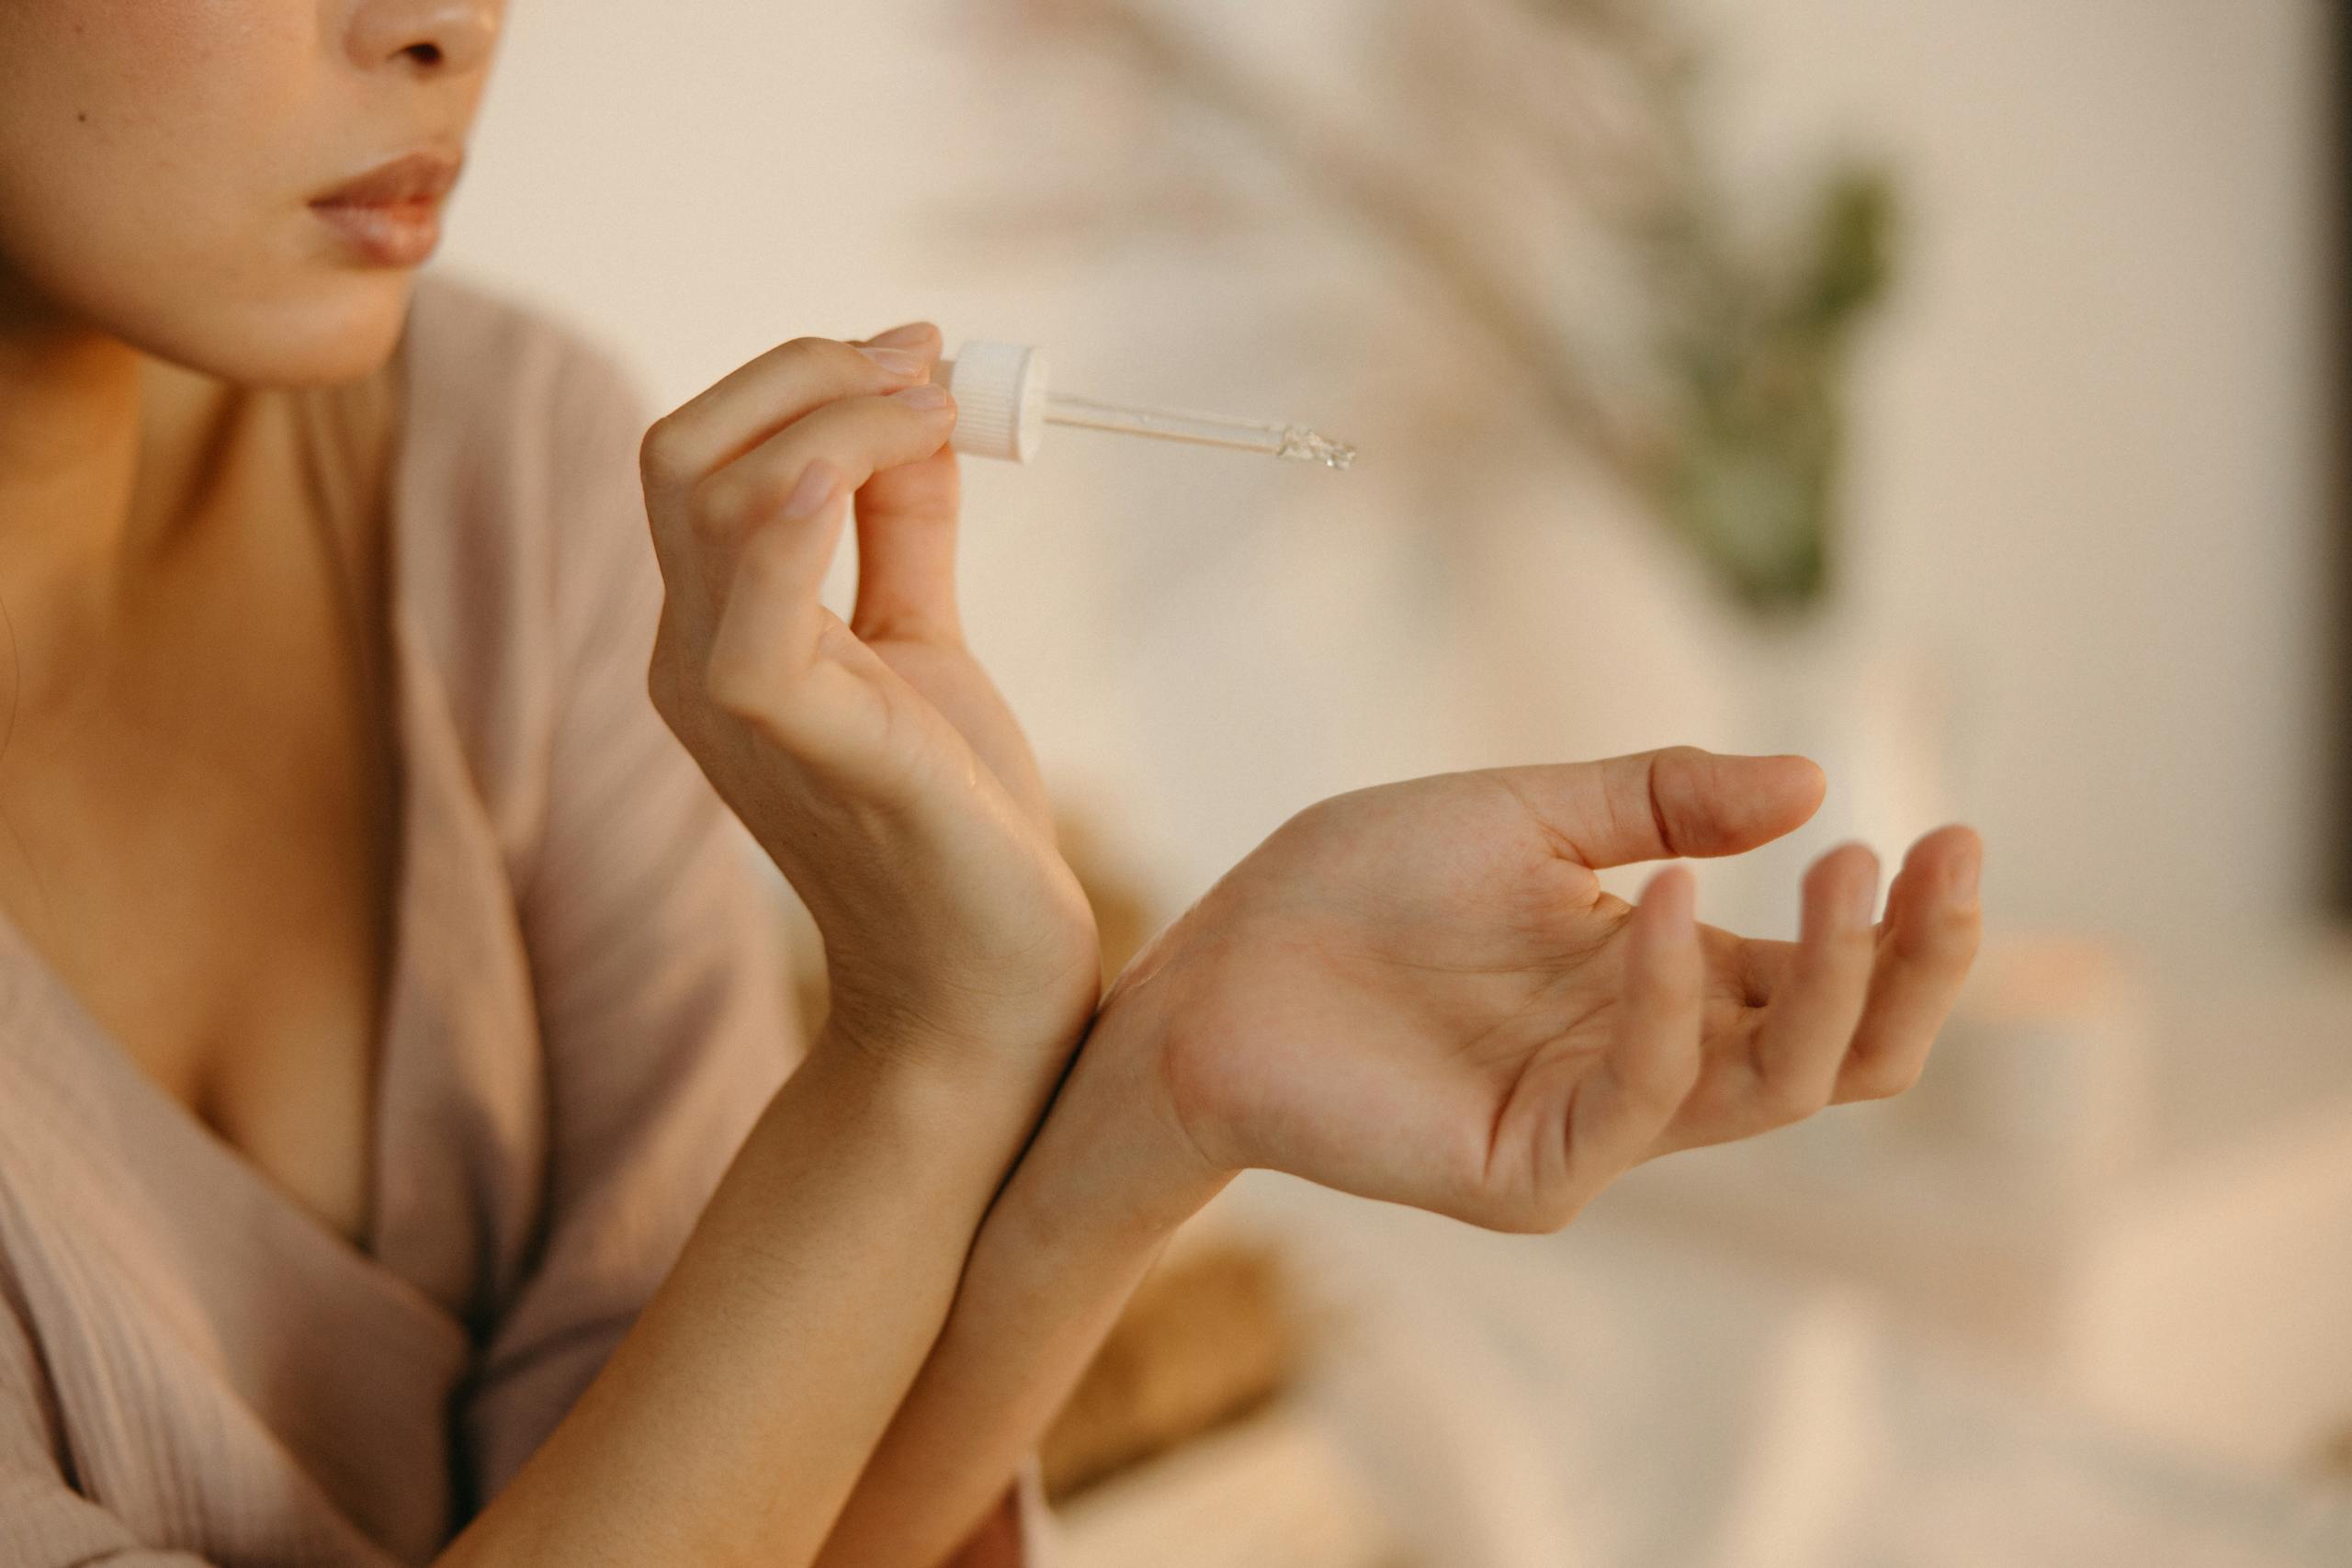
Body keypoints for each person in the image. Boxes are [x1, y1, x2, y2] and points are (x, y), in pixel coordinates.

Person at [0, 2, 1984, 1564]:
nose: (452, 20)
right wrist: (920, 1037)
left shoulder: (497, 461)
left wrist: (1166, 1079)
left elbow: (733, 1510)